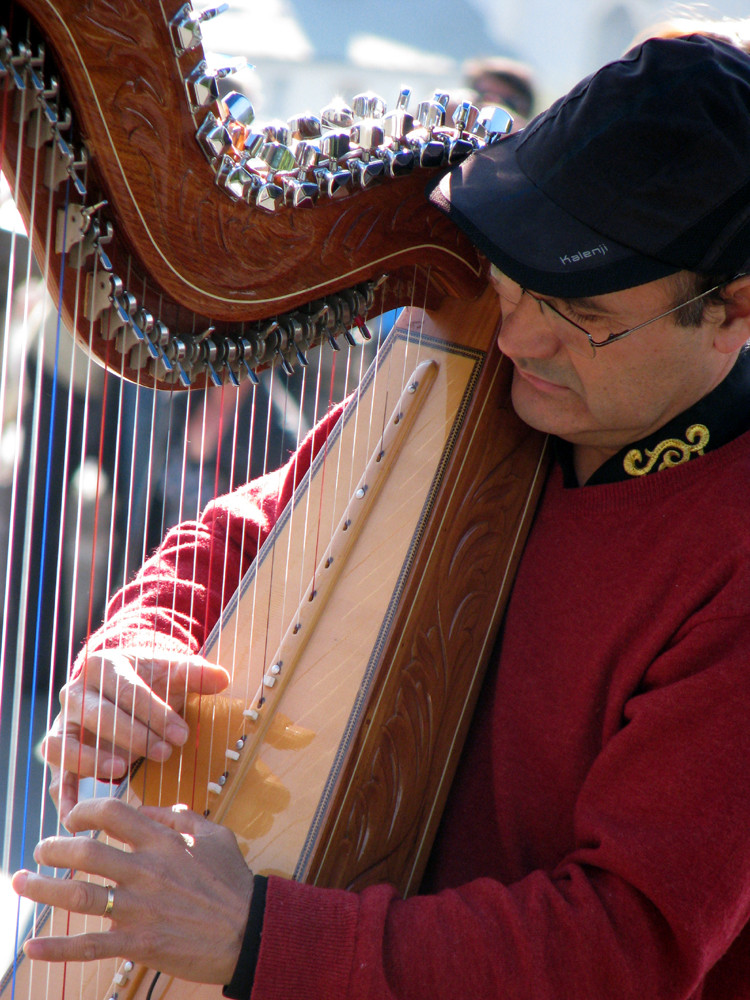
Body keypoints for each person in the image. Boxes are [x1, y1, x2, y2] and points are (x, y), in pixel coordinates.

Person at [11, 30, 750, 1000]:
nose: (521, 333)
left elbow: (620, 945)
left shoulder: (727, 549)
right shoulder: (499, 381)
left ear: (733, 310)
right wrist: (139, 644)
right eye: (515, 280)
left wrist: (255, 933)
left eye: (583, 316)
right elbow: (245, 525)